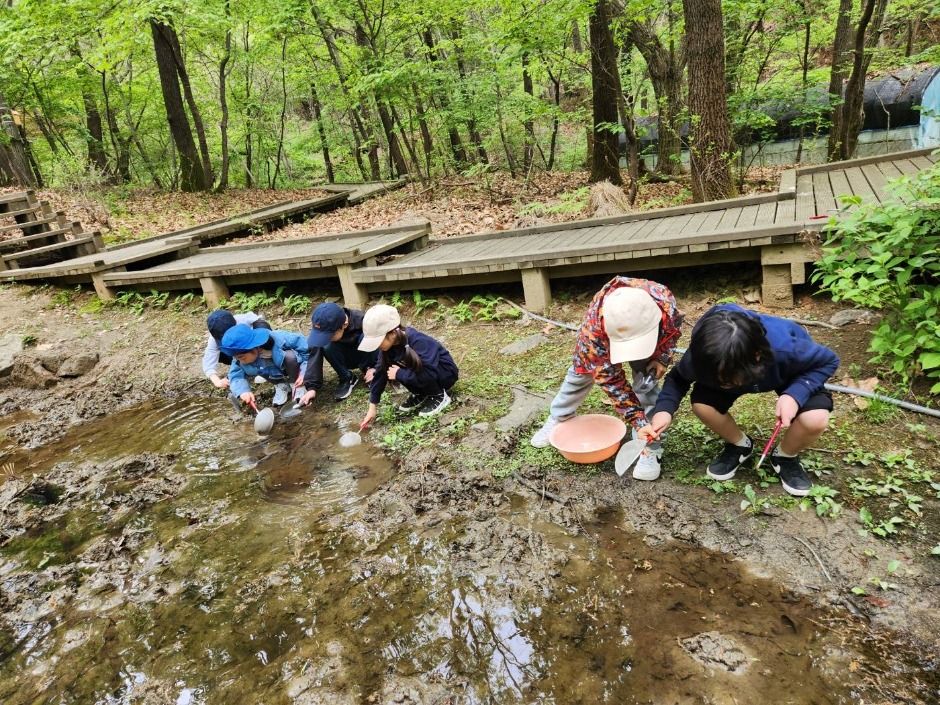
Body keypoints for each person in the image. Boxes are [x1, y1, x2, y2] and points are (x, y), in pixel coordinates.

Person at [643, 304, 839, 497]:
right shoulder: (704, 355)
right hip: (735, 368)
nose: (724, 383)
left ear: (756, 356)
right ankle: (739, 444)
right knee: (703, 406)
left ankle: (786, 456)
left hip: (788, 373)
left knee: (815, 418)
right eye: (718, 378)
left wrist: (794, 395)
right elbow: (678, 378)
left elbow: (828, 360)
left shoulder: (785, 348)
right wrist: (664, 411)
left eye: (728, 378)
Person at [530, 276, 683, 482]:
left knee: (646, 380)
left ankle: (651, 443)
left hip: (649, 336)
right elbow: (612, 382)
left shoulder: (664, 303)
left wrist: (662, 357)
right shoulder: (593, 333)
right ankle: (560, 416)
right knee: (580, 373)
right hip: (600, 340)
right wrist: (636, 420)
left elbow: (672, 332)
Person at [357, 304, 458, 429]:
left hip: (444, 374)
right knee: (390, 369)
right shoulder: (387, 349)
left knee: (397, 371)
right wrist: (372, 407)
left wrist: (400, 374)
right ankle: (422, 393)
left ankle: (438, 395)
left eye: (378, 340)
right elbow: (380, 374)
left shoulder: (419, 341)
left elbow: (430, 373)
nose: (377, 346)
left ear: (392, 333)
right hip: (422, 375)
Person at [296, 302, 378, 406]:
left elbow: (385, 344)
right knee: (326, 345)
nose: (325, 338)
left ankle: (369, 369)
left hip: (365, 355)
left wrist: (376, 367)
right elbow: (314, 355)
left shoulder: (364, 320)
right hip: (343, 357)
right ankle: (347, 377)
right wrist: (311, 388)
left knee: (367, 337)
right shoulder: (324, 326)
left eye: (329, 335)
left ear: (344, 324)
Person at [220, 324, 310, 408]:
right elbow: (235, 376)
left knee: (290, 356)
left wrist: (303, 372)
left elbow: (307, 350)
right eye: (237, 358)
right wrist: (243, 391)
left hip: (292, 367)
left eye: (242, 357)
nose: (240, 361)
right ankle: (281, 385)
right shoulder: (239, 356)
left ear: (254, 348)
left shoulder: (279, 339)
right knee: (258, 367)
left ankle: (297, 384)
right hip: (271, 372)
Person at [201, 309, 271, 391]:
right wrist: (217, 381)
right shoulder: (214, 338)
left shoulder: (243, 320)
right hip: (240, 354)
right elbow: (208, 360)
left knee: (262, 328)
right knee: (221, 354)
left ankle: (266, 366)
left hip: (253, 346)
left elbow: (259, 321)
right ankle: (242, 368)